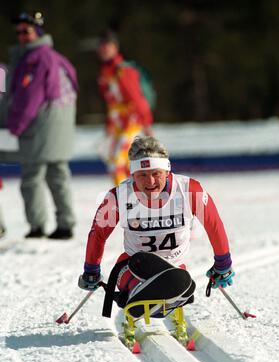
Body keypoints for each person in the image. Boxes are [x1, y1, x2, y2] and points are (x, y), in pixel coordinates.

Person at [78, 136, 234, 316]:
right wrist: (91, 270)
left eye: (156, 174)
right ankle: (156, 296)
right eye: (142, 175)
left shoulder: (189, 190)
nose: (150, 182)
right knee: (177, 283)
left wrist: (223, 264)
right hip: (132, 267)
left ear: (167, 171)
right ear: (132, 175)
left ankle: (154, 297)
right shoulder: (118, 196)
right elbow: (98, 234)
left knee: (180, 280)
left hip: (173, 267)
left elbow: (213, 225)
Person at [6, 12, 78, 239]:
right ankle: (66, 224)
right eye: (18, 32)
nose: (21, 36)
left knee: (32, 177)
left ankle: (37, 227)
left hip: (40, 128)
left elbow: (29, 98)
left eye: (25, 31)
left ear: (37, 32)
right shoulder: (57, 57)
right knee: (58, 175)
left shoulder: (34, 60)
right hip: (61, 129)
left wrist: (15, 126)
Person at [97, 29, 154, 186]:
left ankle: (126, 200)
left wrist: (146, 123)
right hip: (118, 126)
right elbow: (110, 103)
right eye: (101, 46)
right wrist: (109, 124)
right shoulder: (105, 74)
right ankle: (134, 197)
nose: (103, 49)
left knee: (117, 163)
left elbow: (137, 99)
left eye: (107, 45)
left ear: (115, 47)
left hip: (131, 124)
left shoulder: (123, 71)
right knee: (120, 163)